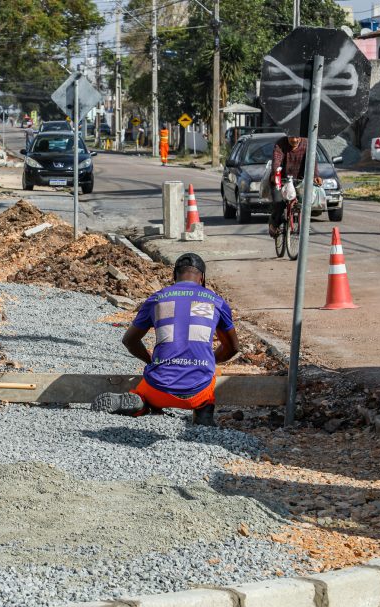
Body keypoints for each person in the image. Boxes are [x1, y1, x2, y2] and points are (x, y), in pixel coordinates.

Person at [92, 253, 239, 426]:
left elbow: (129, 340)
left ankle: (141, 403)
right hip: (197, 392)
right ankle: (203, 413)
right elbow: (233, 348)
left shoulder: (157, 298)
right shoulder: (217, 302)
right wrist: (208, 361)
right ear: (202, 278)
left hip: (157, 389)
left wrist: (150, 361)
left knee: (145, 393)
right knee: (207, 386)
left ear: (174, 275)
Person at [268, 135, 321, 237]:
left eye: (297, 137)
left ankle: (304, 225)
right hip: (281, 180)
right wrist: (275, 173)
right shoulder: (280, 143)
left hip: (299, 181)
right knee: (279, 203)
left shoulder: (307, 143)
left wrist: (315, 176)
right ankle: (274, 224)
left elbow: (312, 161)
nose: (295, 140)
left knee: (305, 201)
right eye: (292, 137)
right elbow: (276, 161)